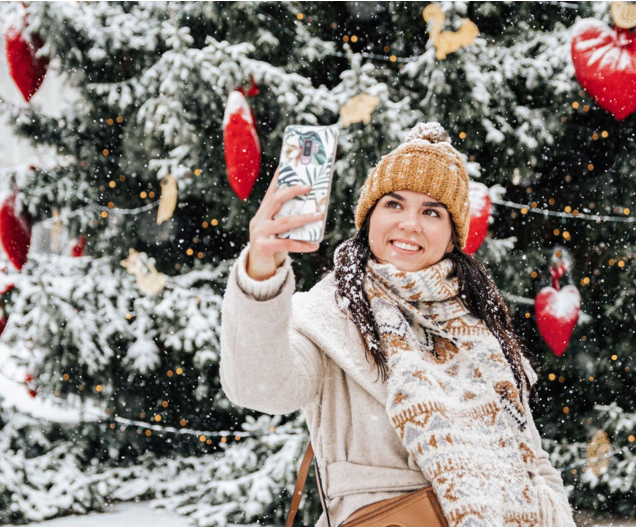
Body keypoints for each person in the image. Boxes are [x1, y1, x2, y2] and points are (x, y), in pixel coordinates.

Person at [220, 122, 576, 527]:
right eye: (394, 204)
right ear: (369, 217)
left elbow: (530, 455)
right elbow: (260, 388)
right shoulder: (328, 313)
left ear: (451, 237)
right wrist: (261, 275)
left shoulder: (479, 325)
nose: (410, 223)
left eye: (431, 211)